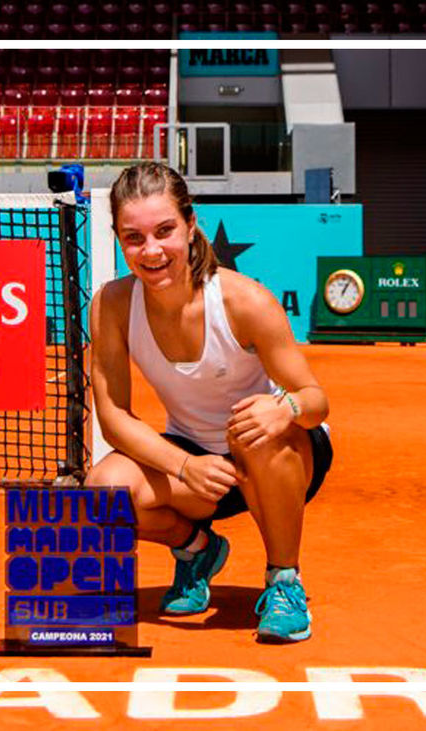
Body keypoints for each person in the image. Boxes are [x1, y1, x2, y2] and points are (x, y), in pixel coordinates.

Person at [85, 162, 333, 643]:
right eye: (134, 238)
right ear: (118, 238)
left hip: (278, 457)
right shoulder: (111, 304)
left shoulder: (245, 301)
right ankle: (197, 549)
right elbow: (113, 417)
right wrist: (184, 466)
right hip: (199, 468)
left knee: (253, 428)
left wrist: (284, 409)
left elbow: (316, 400)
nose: (151, 251)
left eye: (164, 231)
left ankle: (284, 580)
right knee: (103, 491)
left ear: (190, 224)